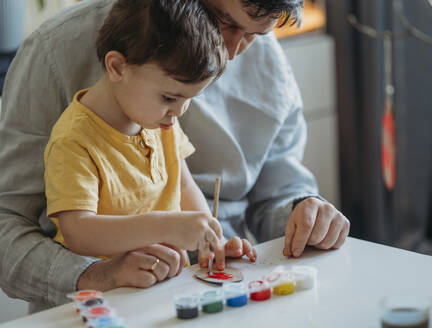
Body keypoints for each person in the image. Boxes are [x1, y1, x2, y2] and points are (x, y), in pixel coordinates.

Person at [0, 0, 350, 312]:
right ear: (116, 67)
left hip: (216, 292)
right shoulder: (55, 56)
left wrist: (303, 212)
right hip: (103, 308)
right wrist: (98, 274)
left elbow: (276, 184)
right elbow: (9, 223)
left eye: (254, 35)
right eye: (225, 21)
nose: (229, 53)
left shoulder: (262, 56)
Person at [44, 0, 256, 268]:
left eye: (189, 99)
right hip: (103, 298)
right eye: (169, 97)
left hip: (161, 283)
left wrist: (215, 241)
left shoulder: (159, 120)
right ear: (117, 67)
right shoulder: (74, 140)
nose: (179, 111)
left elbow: (183, 186)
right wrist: (163, 227)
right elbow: (78, 231)